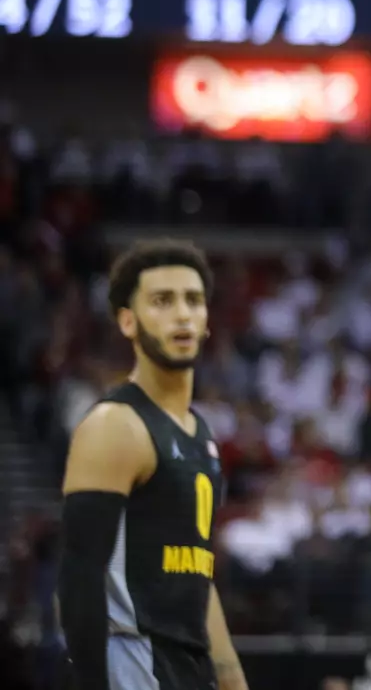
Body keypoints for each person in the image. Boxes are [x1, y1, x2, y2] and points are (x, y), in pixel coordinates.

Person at [56, 239, 246, 690]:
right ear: (128, 321)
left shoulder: (201, 434)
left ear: (206, 322)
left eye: (193, 300)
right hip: (133, 663)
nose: (182, 314)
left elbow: (200, 574)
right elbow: (78, 578)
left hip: (188, 667)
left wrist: (233, 678)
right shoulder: (114, 425)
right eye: (162, 301)